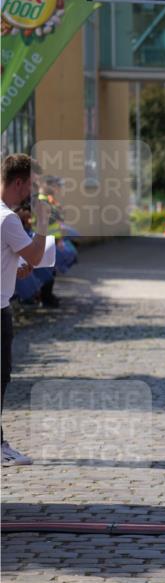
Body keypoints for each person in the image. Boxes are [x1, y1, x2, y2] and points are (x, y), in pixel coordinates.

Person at [1, 154, 51, 465]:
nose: (30, 193)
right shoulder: (8, 218)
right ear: (18, 183)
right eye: (30, 186)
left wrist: (15, 263)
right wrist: (43, 223)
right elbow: (36, 255)